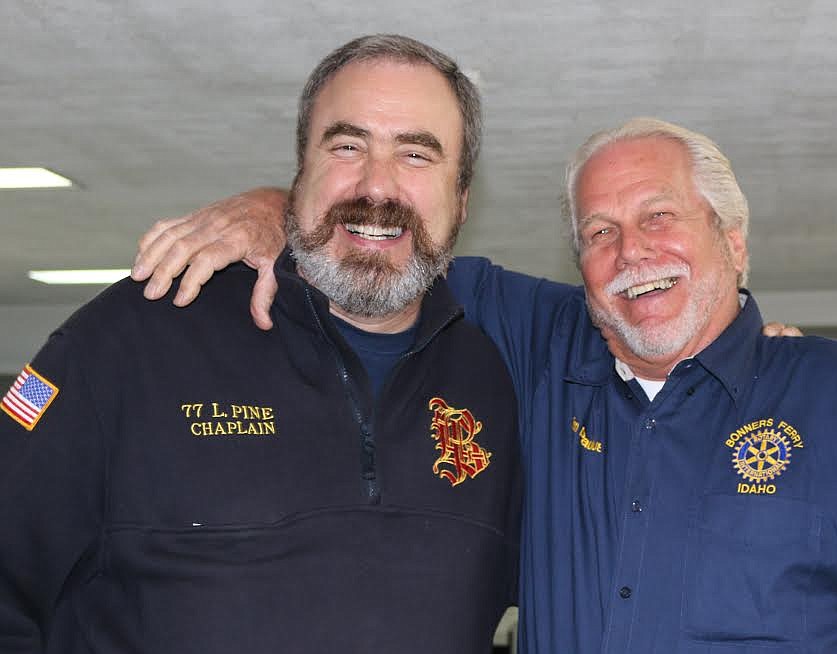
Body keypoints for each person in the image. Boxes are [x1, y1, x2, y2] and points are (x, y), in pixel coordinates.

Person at [134, 114, 837, 653]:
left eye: (660, 217)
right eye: (600, 231)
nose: (631, 251)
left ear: (734, 241)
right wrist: (273, 207)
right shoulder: (536, 347)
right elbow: (380, 249)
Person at [0, 35, 523, 654]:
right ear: (300, 176)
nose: (377, 186)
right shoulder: (129, 340)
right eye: (347, 146)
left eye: (416, 154)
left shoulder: (494, 380)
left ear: (461, 203)